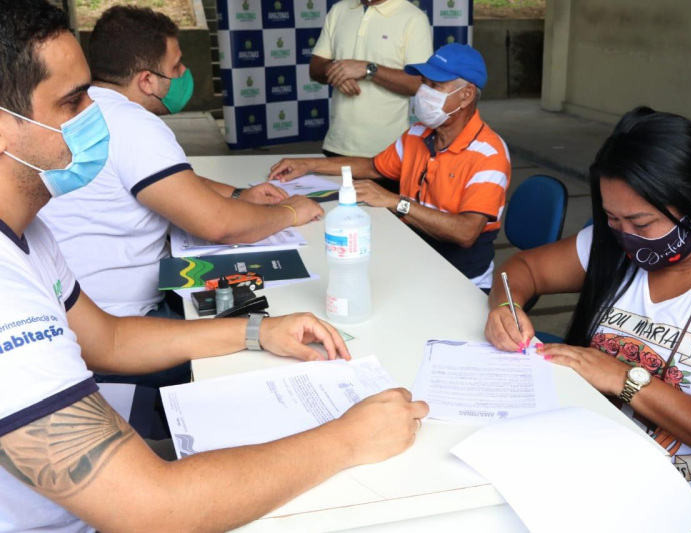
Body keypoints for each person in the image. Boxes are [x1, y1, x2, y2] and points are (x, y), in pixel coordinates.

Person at [0, 3, 428, 531]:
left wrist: (257, 331)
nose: (96, 112)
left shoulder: (29, 232)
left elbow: (107, 340)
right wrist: (349, 439)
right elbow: (151, 509)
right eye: (73, 102)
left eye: (90, 92)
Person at [485, 107, 691, 532]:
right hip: (622, 482)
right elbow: (521, 270)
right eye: (613, 219)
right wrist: (505, 307)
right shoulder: (612, 245)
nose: (625, 235)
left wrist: (624, 378)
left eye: (642, 222)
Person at [39, 6, 323, 320]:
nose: (185, 72)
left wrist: (238, 195)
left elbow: (160, 182)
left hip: (76, 311)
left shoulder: (87, 110)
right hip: (123, 321)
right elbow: (220, 225)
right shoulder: (131, 124)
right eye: (176, 67)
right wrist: (291, 212)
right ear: (147, 81)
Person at [271, 44, 511, 291]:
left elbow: (466, 232)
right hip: (411, 260)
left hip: (461, 282)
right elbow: (372, 167)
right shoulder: (418, 133)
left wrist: (396, 201)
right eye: (424, 83)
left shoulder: (489, 154)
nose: (424, 92)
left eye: (435, 86)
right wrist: (307, 164)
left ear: (467, 94)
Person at [310, 0, 432, 158]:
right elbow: (315, 68)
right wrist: (338, 72)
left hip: (388, 152)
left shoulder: (414, 18)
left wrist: (368, 69)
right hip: (337, 145)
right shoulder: (339, 10)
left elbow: (418, 83)